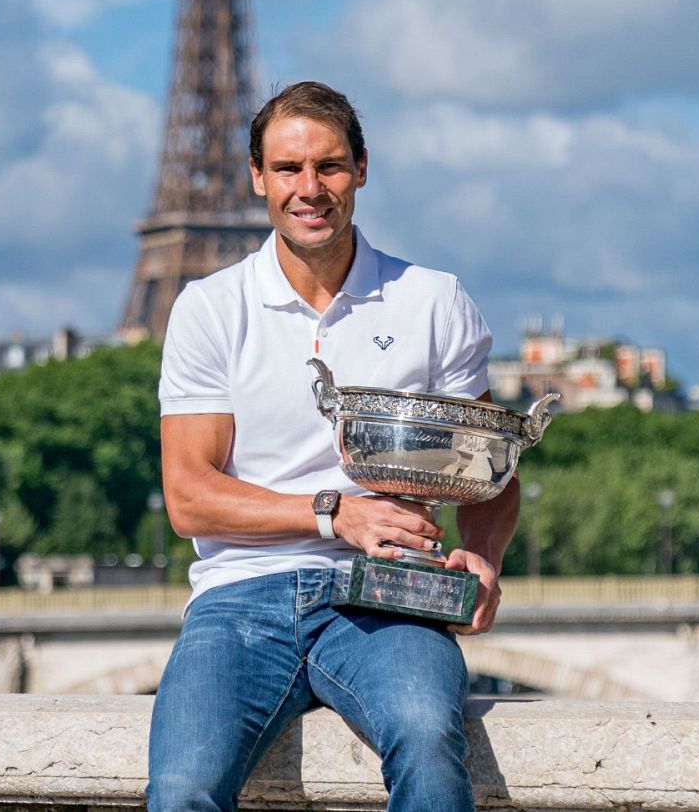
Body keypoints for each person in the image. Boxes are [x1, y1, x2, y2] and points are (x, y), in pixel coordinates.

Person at [146, 81, 517, 812]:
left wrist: (484, 553)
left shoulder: (433, 301)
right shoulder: (210, 309)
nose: (309, 188)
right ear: (257, 177)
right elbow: (189, 497)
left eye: (330, 166)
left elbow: (490, 471)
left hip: (389, 594)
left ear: (362, 169)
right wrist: (335, 514)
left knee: (427, 739)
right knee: (182, 788)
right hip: (240, 598)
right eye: (288, 169)